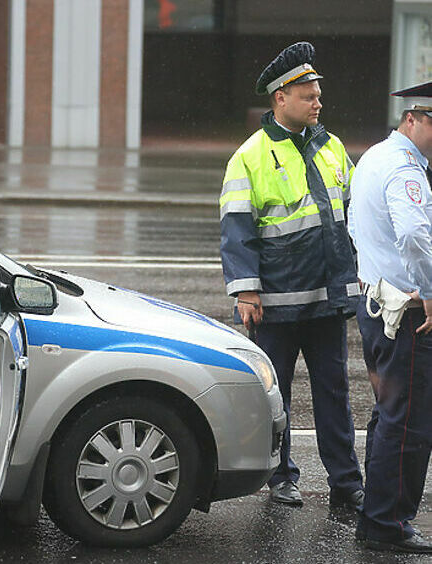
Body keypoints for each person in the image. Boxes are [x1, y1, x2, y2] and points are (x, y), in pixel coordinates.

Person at [219, 41, 363, 508]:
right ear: (281, 98)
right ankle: (281, 477)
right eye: (308, 94)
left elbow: (355, 212)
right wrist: (245, 290)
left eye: (318, 94)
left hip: (328, 297)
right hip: (276, 303)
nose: (318, 102)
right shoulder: (250, 156)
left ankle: (347, 483)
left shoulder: (332, 145)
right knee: (274, 396)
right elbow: (237, 229)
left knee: (335, 394)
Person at [348, 81, 432, 554]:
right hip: (408, 312)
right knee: (411, 422)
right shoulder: (405, 171)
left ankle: (377, 513)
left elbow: (356, 227)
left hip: (376, 304)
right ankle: (388, 523)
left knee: (388, 416)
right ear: (414, 119)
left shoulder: (375, 156)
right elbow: (416, 237)